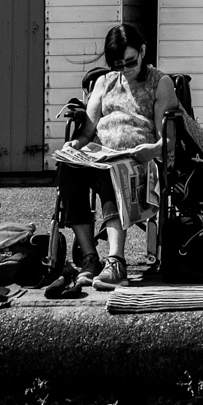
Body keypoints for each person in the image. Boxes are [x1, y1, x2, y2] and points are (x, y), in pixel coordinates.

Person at [53, 23, 176, 290]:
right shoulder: (103, 82)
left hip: (141, 160)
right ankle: (89, 258)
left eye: (130, 62)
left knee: (112, 170)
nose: (124, 70)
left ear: (142, 51)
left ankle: (116, 262)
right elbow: (87, 132)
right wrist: (75, 144)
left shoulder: (160, 82)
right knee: (68, 168)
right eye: (118, 65)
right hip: (102, 155)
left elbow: (167, 141)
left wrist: (151, 151)